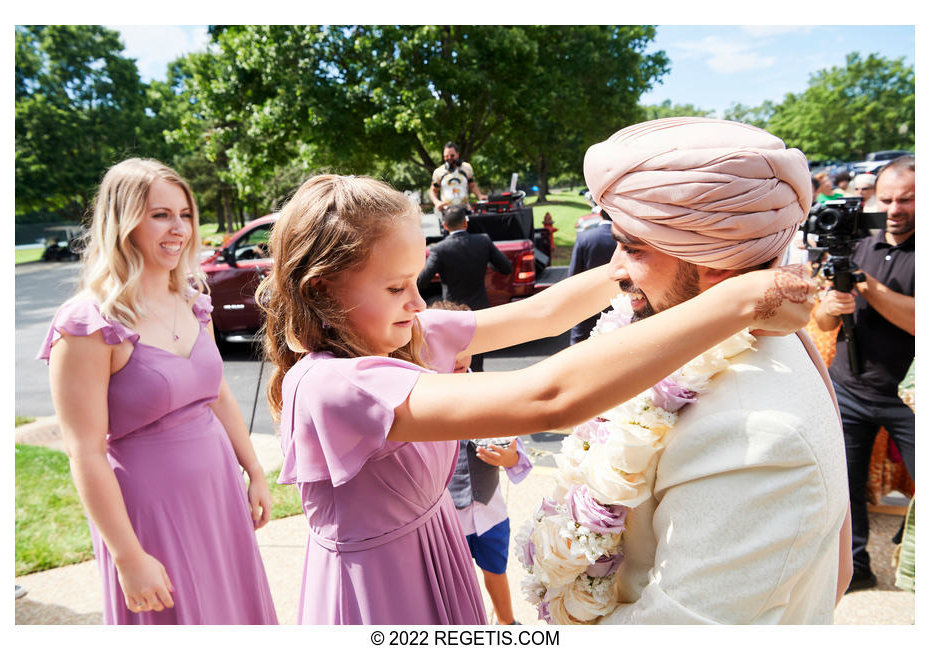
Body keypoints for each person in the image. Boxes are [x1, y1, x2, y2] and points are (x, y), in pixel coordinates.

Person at [255, 173, 817, 625]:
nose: (418, 302)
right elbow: (549, 397)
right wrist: (743, 300)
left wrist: (635, 260)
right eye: (395, 287)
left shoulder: (410, 332)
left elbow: (546, 313)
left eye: (417, 280)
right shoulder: (334, 385)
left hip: (436, 548)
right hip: (376, 585)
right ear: (322, 288)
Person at [580, 116, 851, 624]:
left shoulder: (758, 440)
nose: (614, 271)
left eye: (632, 247)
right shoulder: (691, 334)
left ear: (718, 266)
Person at [37, 158, 277, 624]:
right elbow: (84, 452)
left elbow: (219, 395)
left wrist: (254, 471)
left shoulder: (192, 297)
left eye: (185, 214)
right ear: (123, 221)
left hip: (218, 491)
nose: (179, 229)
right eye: (160, 214)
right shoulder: (88, 324)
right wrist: (128, 557)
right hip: (149, 511)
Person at [814, 155, 915, 593]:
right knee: (846, 488)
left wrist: (867, 287)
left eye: (908, 199)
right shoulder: (859, 243)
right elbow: (821, 323)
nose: (894, 209)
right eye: (887, 199)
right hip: (849, 387)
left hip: (910, 398)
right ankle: (855, 569)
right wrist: (829, 308)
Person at [433, 300, 530, 625]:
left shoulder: (489, 392)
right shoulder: (423, 397)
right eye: (449, 348)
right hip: (447, 520)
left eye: (465, 348)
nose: (459, 358)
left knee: (496, 571)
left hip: (491, 512)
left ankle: (507, 623)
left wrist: (509, 457)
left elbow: (516, 451)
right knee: (454, 585)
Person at [416, 204, 512, 370]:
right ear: (465, 223)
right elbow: (506, 268)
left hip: (453, 313)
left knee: (455, 363)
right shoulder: (483, 241)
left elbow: (422, 281)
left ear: (445, 226)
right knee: (477, 359)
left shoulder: (439, 249)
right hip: (479, 310)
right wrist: (487, 263)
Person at [567, 209, 617, 344]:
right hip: (617, 300)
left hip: (587, 300)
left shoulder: (585, 237)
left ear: (600, 214)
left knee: (579, 343)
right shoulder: (624, 239)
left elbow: (574, 273)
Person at [429, 141, 486, 212]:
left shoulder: (467, 168)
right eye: (446, 156)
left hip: (465, 209)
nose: (449, 158)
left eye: (452, 155)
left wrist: (479, 195)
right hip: (447, 211)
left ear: (457, 154)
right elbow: (433, 190)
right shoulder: (438, 172)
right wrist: (436, 202)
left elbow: (473, 185)